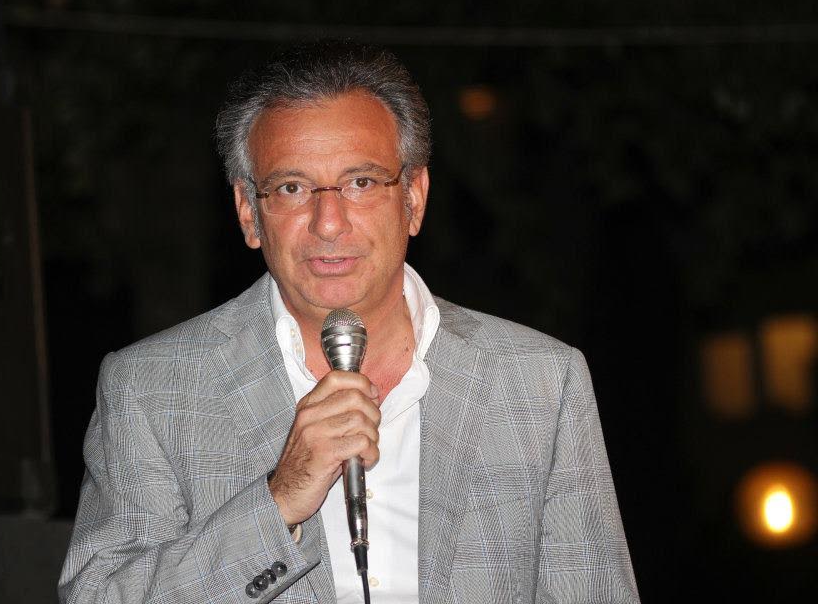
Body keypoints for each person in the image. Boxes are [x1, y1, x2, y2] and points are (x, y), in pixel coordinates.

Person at [59, 40, 640, 604]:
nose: (329, 222)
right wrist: (278, 502)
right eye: (292, 187)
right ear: (249, 213)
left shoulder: (540, 381)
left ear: (413, 198)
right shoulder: (151, 389)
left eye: (361, 182)